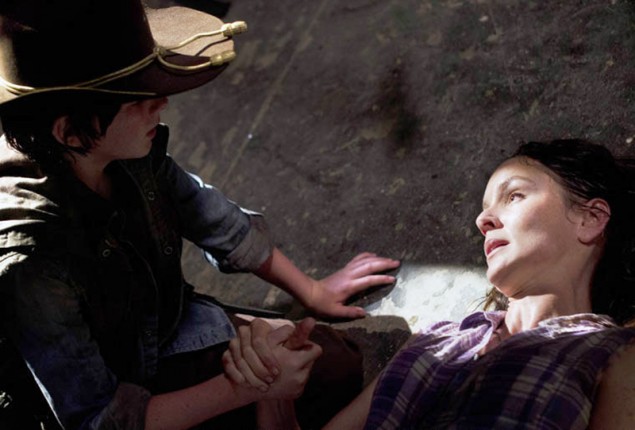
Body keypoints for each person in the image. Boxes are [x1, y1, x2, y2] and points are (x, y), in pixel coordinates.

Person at [0, 1, 400, 429]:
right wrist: (249, 386)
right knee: (301, 380)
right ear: (69, 131)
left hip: (166, 328)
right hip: (122, 392)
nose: (161, 103)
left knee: (331, 363)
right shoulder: (30, 263)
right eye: (137, 98)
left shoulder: (122, 151)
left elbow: (212, 217)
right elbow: (99, 419)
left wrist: (312, 291)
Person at [228, 139, 635, 429]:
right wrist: (273, 395)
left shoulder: (613, 352)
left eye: (513, 196)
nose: (483, 220)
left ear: (590, 218)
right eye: (484, 209)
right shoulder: (436, 340)